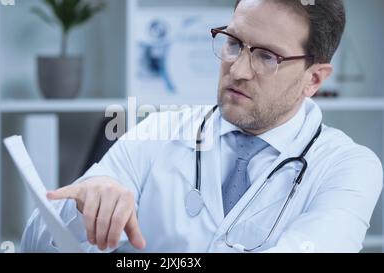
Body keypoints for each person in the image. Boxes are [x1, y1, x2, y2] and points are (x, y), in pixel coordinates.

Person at [21, 0, 383, 253]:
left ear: (314, 79)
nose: (238, 70)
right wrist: (82, 208)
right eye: (234, 43)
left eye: (267, 56)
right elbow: (34, 245)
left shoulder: (349, 167)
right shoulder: (157, 131)